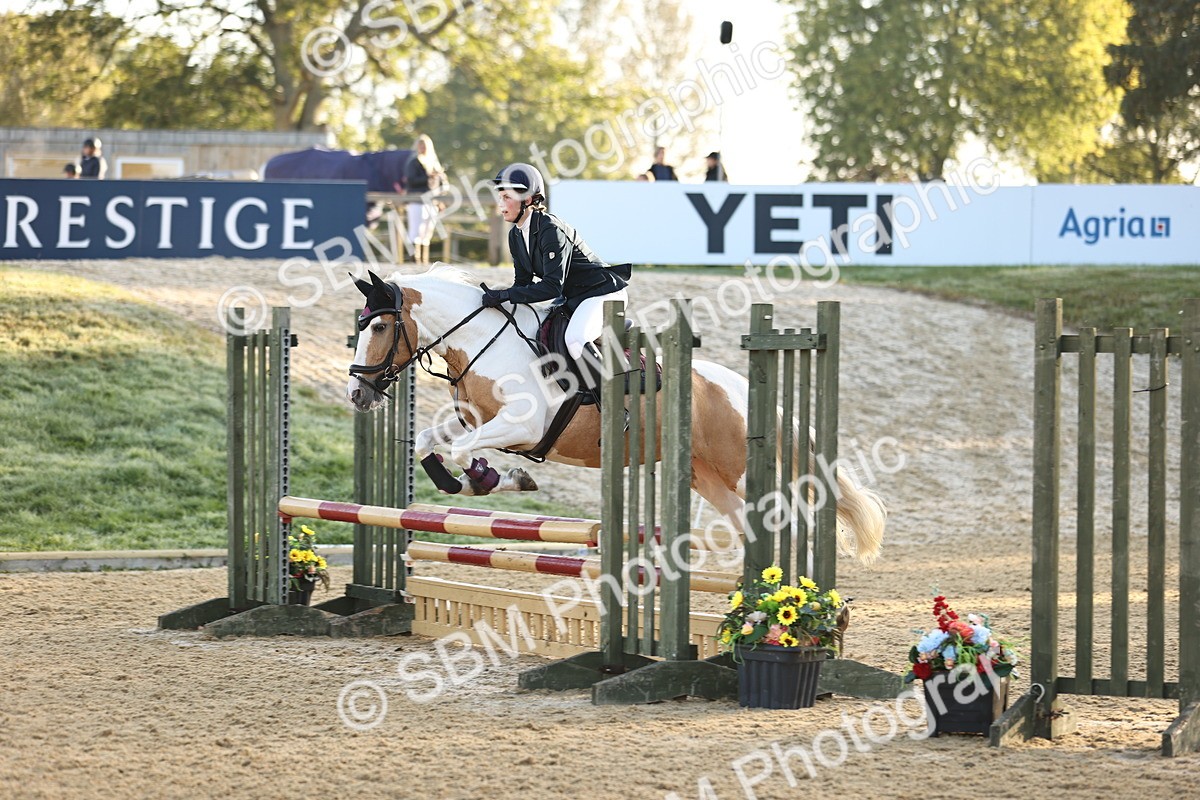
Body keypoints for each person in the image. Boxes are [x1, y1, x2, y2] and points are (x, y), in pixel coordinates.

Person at [482, 162, 629, 406]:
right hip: (574, 299)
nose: (500, 204)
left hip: (603, 294)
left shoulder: (550, 228)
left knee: (575, 339)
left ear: (528, 199)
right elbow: (522, 283)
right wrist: (501, 296)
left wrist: (507, 295)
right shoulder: (516, 234)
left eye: (506, 197)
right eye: (500, 197)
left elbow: (551, 287)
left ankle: (613, 405)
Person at [404, 134, 444, 264]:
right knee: (415, 229)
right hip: (417, 200)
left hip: (431, 200)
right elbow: (411, 180)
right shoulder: (414, 162)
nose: (422, 148)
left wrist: (440, 199)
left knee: (427, 232)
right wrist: (428, 177)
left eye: (424, 146)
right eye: (420, 145)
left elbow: (442, 183)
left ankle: (423, 259)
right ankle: (414, 259)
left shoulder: (434, 163)